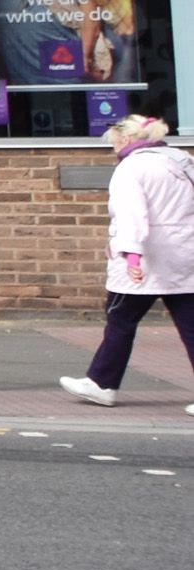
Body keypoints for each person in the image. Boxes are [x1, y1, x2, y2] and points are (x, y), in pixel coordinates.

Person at [60, 110, 194, 410]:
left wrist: (132, 257)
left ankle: (102, 383)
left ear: (129, 138)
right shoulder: (182, 161)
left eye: (115, 141)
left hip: (146, 261)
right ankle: (100, 381)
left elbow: (131, 216)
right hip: (185, 256)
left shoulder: (131, 168)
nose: (114, 147)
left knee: (120, 319)